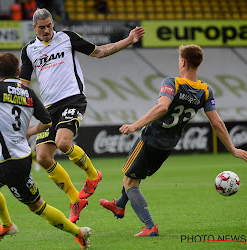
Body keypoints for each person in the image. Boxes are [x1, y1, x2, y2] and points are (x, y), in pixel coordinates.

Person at [0, 53, 92, 249]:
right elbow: (48, 122)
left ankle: (79, 232)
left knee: (37, 206)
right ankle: (7, 225)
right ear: (17, 72)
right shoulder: (29, 94)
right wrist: (30, 132)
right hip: (11, 156)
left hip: (13, 163)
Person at [100, 44, 247, 237]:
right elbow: (217, 122)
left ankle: (150, 227)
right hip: (168, 144)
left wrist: (135, 126)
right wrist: (233, 149)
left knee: (130, 182)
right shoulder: (205, 90)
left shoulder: (172, 82)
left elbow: (162, 108)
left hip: (151, 138)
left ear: (183, 62)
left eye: (179, 59)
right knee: (134, 174)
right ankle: (119, 205)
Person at [20, 8, 145, 223]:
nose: (48, 30)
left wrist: (128, 40)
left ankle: (92, 174)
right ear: (34, 28)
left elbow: (99, 52)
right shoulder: (29, 50)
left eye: (50, 25)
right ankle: (74, 199)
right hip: (48, 108)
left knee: (62, 142)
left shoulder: (67, 38)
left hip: (72, 99)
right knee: (42, 157)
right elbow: (23, 85)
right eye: (42, 28)